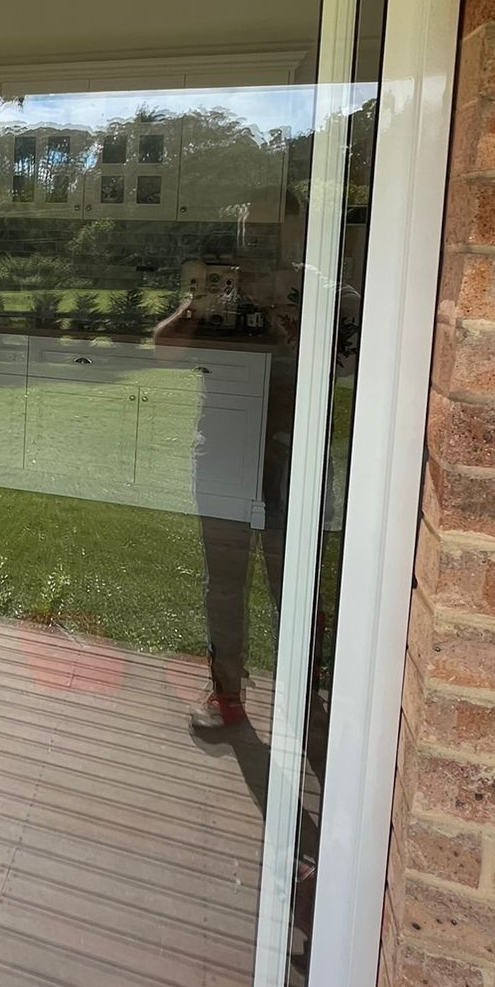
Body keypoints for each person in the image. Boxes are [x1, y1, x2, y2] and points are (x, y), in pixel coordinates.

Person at [153, 226, 302, 743]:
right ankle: (227, 694)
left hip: (292, 451)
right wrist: (196, 304)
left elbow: (345, 364)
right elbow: (163, 351)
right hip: (221, 449)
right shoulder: (217, 295)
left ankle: (310, 694)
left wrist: (280, 309)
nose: (253, 240)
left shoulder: (323, 290)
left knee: (295, 578)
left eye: (265, 228)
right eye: (247, 230)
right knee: (224, 580)